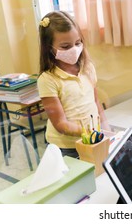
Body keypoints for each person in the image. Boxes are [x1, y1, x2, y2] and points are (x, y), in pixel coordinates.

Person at [37, 11, 114, 158]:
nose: (74, 49)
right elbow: (60, 124)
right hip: (67, 147)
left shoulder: (87, 68)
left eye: (78, 43)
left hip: (92, 138)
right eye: (65, 46)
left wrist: (106, 128)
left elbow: (96, 102)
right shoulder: (47, 79)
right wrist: (89, 131)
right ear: (49, 48)